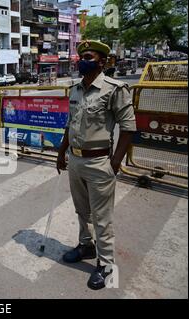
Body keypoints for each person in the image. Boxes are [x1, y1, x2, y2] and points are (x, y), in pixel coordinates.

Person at [56, 40, 137, 290]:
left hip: (100, 162)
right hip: (76, 159)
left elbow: (128, 128)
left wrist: (114, 163)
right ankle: (85, 246)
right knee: (82, 210)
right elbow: (70, 125)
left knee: (102, 218)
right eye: (82, 57)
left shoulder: (114, 89)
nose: (83, 60)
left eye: (89, 57)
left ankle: (106, 264)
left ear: (102, 61)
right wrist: (61, 153)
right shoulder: (76, 89)